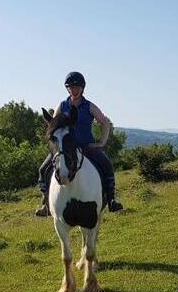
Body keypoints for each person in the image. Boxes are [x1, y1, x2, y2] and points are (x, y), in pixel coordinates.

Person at [36, 71, 123, 216]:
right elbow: (54, 124)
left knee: (106, 164)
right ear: (67, 89)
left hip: (86, 146)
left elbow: (105, 123)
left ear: (82, 88)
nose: (74, 90)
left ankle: (112, 199)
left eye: (77, 87)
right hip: (65, 148)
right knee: (43, 169)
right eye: (71, 87)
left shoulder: (89, 106)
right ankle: (46, 203)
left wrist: (101, 142)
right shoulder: (62, 105)